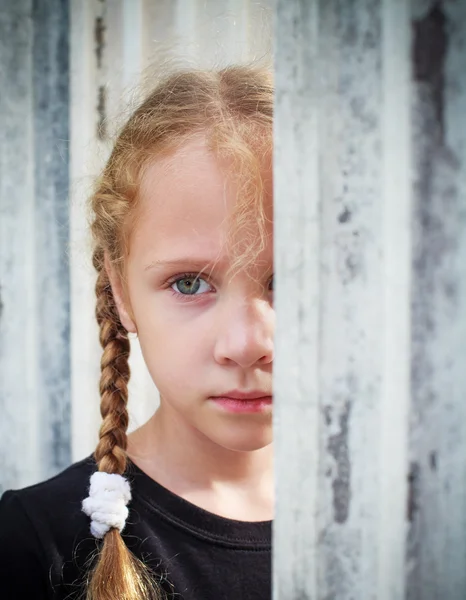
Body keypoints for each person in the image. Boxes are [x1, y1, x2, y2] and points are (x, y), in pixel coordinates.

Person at [0, 64, 274, 600]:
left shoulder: (407, 518)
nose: (246, 344)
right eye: (190, 283)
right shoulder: (34, 542)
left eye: (289, 281)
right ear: (121, 290)